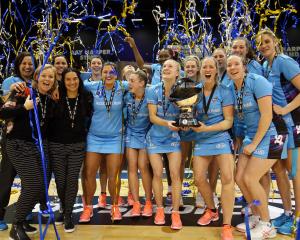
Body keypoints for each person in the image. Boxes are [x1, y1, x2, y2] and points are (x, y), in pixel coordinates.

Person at [227, 54, 288, 239]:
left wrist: (254, 144)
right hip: (251, 136)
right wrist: (242, 140)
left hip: (274, 134)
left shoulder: (258, 81)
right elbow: (238, 118)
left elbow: (267, 115)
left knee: (251, 178)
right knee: (239, 177)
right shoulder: (231, 87)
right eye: (229, 65)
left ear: (244, 66)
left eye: (236, 63)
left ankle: (267, 225)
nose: (232, 67)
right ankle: (255, 214)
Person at [0, 64, 57, 240]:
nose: (47, 79)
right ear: (37, 77)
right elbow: (3, 113)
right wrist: (24, 107)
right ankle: (16, 226)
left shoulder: (48, 98)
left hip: (34, 146)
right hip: (17, 144)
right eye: (44, 76)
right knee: (33, 183)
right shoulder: (23, 92)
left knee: (39, 185)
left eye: (51, 77)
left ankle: (23, 220)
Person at [256, 28, 300, 236]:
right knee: (279, 171)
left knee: (294, 172)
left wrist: (286, 109)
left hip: (293, 124)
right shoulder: (266, 65)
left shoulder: (284, 61)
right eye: (260, 43)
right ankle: (288, 212)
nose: (263, 45)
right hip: (278, 127)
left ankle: (298, 218)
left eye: (266, 41)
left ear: (275, 41)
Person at [191, 57, 235, 240]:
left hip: (220, 137)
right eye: (204, 67)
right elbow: (188, 113)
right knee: (199, 179)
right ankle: (212, 210)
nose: (207, 69)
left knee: (227, 178)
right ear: (201, 70)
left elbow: (228, 121)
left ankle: (227, 225)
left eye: (211, 66)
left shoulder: (225, 91)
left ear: (216, 71)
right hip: (201, 139)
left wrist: (206, 128)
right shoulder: (194, 92)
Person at [79, 62, 128, 222]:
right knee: (89, 173)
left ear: (116, 74)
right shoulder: (92, 86)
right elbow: (76, 82)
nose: (108, 75)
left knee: (114, 176)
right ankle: (87, 208)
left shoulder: (122, 86)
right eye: (105, 71)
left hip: (115, 138)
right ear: (100, 73)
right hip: (94, 137)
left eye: (111, 72)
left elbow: (139, 81)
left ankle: (114, 206)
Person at [48, 68, 92, 232]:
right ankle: (63, 207)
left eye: (75, 79)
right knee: (60, 181)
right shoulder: (55, 97)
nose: (72, 82)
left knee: (72, 180)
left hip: (77, 146)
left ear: (79, 80)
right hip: (56, 145)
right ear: (63, 81)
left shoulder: (86, 97)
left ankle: (67, 215)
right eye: (68, 79)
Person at [0, 52, 36, 231]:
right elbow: (5, 108)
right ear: (18, 65)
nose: (28, 66)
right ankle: (0, 214)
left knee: (29, 179)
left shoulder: (35, 83)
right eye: (24, 63)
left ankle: (23, 214)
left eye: (31, 63)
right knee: (7, 177)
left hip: (30, 138)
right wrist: (12, 92)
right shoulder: (10, 81)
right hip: (12, 138)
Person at [146, 59, 182, 230]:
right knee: (157, 174)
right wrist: (167, 123)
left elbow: (187, 112)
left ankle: (175, 212)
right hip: (155, 137)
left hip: (173, 137)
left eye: (170, 66)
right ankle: (160, 209)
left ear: (177, 73)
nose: (166, 68)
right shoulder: (153, 90)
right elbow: (152, 117)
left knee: (175, 175)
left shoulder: (183, 91)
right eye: (164, 66)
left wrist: (184, 121)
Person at [124, 69, 153, 217]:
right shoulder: (127, 96)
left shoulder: (151, 95)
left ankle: (148, 201)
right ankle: (136, 202)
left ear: (142, 83)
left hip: (146, 134)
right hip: (130, 133)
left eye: (132, 81)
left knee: (143, 166)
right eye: (128, 80)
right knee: (132, 167)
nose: (129, 83)